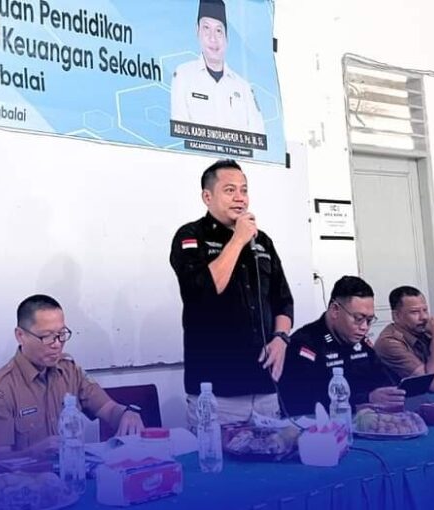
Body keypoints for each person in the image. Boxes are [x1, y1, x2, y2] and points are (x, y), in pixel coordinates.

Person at [169, 159, 293, 426]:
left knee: (274, 450)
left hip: (265, 386)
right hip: (217, 390)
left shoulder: (262, 241)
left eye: (244, 190)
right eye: (229, 190)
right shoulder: (190, 236)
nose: (240, 198)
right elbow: (202, 292)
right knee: (216, 453)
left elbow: (282, 300)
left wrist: (281, 338)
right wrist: (237, 240)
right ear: (207, 197)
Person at [0, 295, 144, 463]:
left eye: (61, 334)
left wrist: (127, 414)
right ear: (20, 335)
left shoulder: (69, 371)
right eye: (47, 336)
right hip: (28, 479)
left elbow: (108, 409)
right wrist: (34, 453)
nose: (56, 344)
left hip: (73, 473)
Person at [278, 276, 405, 416]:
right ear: (335, 310)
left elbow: (384, 379)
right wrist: (366, 399)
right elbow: (303, 403)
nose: (364, 327)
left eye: (369, 320)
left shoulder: (361, 343)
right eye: (358, 318)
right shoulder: (304, 345)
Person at [170, 0, 266, 134]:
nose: (213, 38)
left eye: (219, 30)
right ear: (197, 30)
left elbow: (258, 134)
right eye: (206, 28)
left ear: (226, 37)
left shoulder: (243, 88)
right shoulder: (183, 75)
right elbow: (179, 130)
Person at [374, 286, 434, 392]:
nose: (424, 317)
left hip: (432, 400)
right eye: (415, 312)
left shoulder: (424, 333)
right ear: (396, 316)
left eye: (425, 310)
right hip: (406, 401)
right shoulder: (388, 342)